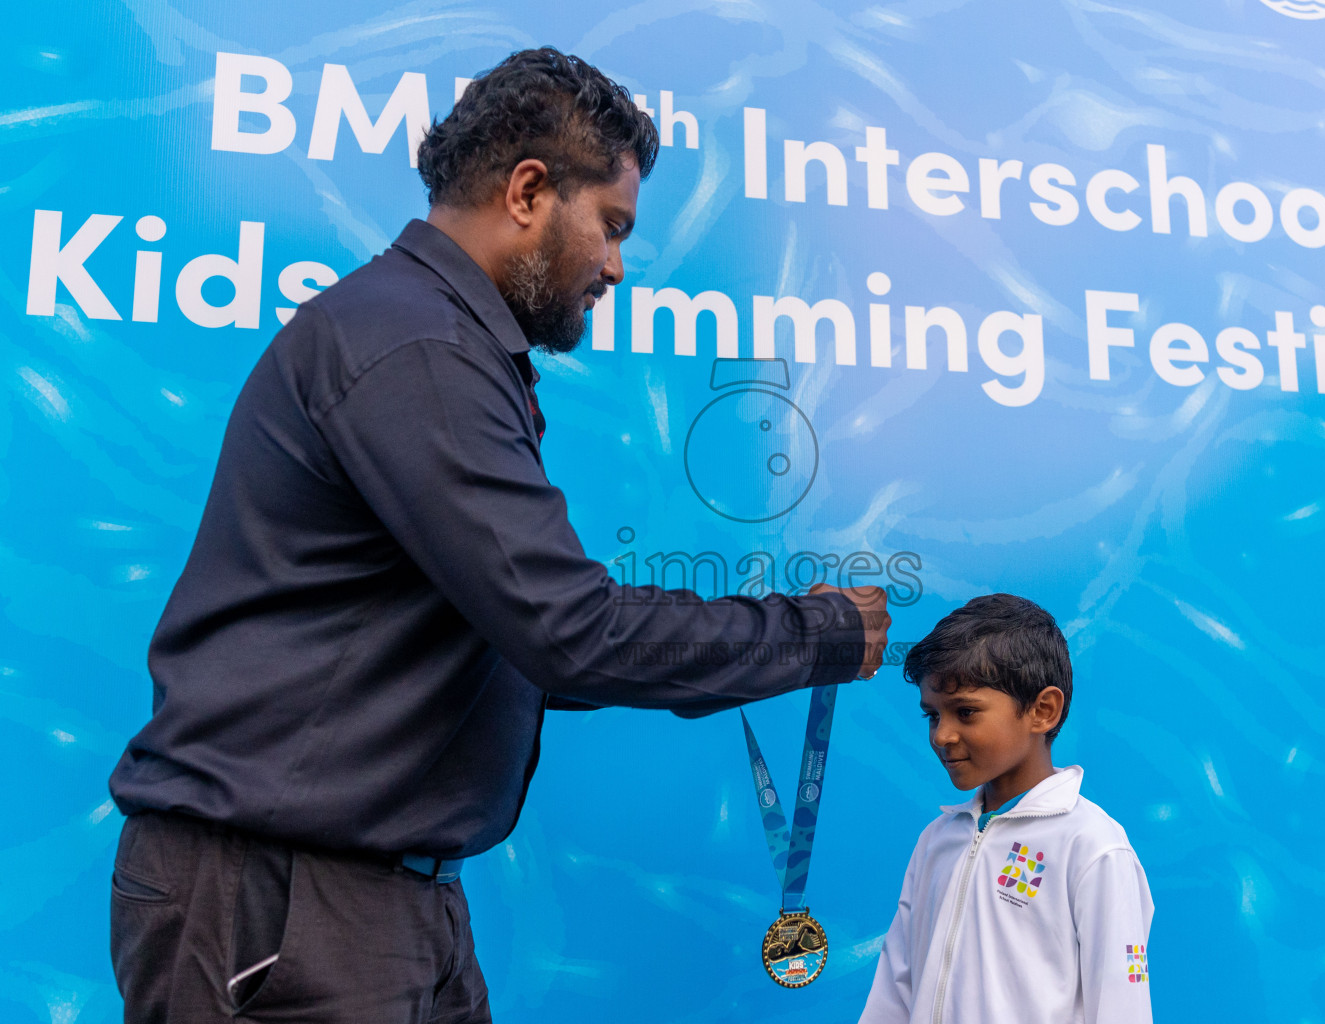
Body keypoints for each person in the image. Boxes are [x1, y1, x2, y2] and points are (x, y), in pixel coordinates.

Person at [106, 47, 888, 1023]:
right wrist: (816, 635)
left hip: (383, 894)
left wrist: (741, 650)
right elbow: (567, 628)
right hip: (288, 901)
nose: (614, 266)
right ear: (528, 191)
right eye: (610, 227)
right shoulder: (416, 344)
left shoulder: (435, 340)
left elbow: (522, 643)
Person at [858, 594, 1150, 1024]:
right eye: (932, 716)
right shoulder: (937, 839)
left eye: (965, 712)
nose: (942, 735)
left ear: (1042, 710)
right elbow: (893, 991)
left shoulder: (1092, 847)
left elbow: (1121, 1008)